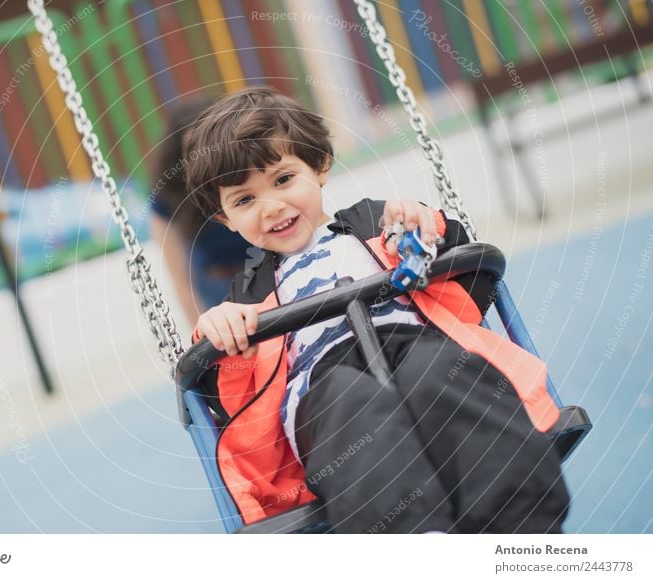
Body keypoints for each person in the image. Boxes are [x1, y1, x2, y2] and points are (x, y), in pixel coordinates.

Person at [183, 87, 569, 533]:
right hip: (322, 388)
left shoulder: (373, 223)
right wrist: (220, 333)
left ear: (320, 166)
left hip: (412, 342)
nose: (270, 206)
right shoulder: (248, 290)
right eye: (244, 200)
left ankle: (523, 529)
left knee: (443, 369)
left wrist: (427, 230)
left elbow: (474, 283)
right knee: (351, 404)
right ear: (226, 219)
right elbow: (223, 396)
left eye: (283, 179)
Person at [149, 97, 250, 325]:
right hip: (219, 286)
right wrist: (201, 338)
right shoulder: (169, 196)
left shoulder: (243, 174)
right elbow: (180, 279)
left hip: (270, 269)